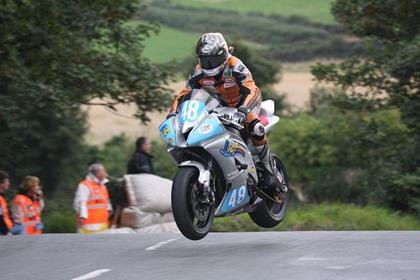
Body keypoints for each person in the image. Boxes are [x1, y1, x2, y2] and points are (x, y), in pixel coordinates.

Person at [167, 32, 286, 196]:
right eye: (204, 59)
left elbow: (250, 88)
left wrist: (244, 109)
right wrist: (173, 113)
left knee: (255, 126)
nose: (209, 64)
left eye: (213, 60)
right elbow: (184, 94)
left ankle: (268, 168)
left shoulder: (235, 65)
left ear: (223, 54)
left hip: (246, 101)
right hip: (222, 106)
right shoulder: (199, 71)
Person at [74, 163, 112, 233]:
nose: (105, 173)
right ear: (98, 173)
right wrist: (83, 217)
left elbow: (106, 200)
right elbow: (82, 203)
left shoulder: (103, 185)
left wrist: (109, 210)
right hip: (88, 226)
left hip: (102, 224)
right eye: (104, 171)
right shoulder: (84, 185)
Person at [0, 171, 13, 235]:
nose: (8, 184)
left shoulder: (1, 197)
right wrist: (6, 231)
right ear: (1, 184)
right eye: (7, 182)